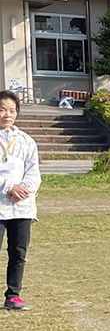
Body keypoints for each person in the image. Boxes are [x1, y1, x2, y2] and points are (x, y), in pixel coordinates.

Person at [0, 89, 40, 311]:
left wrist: (23, 189)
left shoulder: (25, 140)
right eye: (3, 110)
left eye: (12, 110)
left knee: (18, 253)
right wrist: (8, 187)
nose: (8, 114)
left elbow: (34, 172)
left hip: (21, 207)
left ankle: (13, 295)